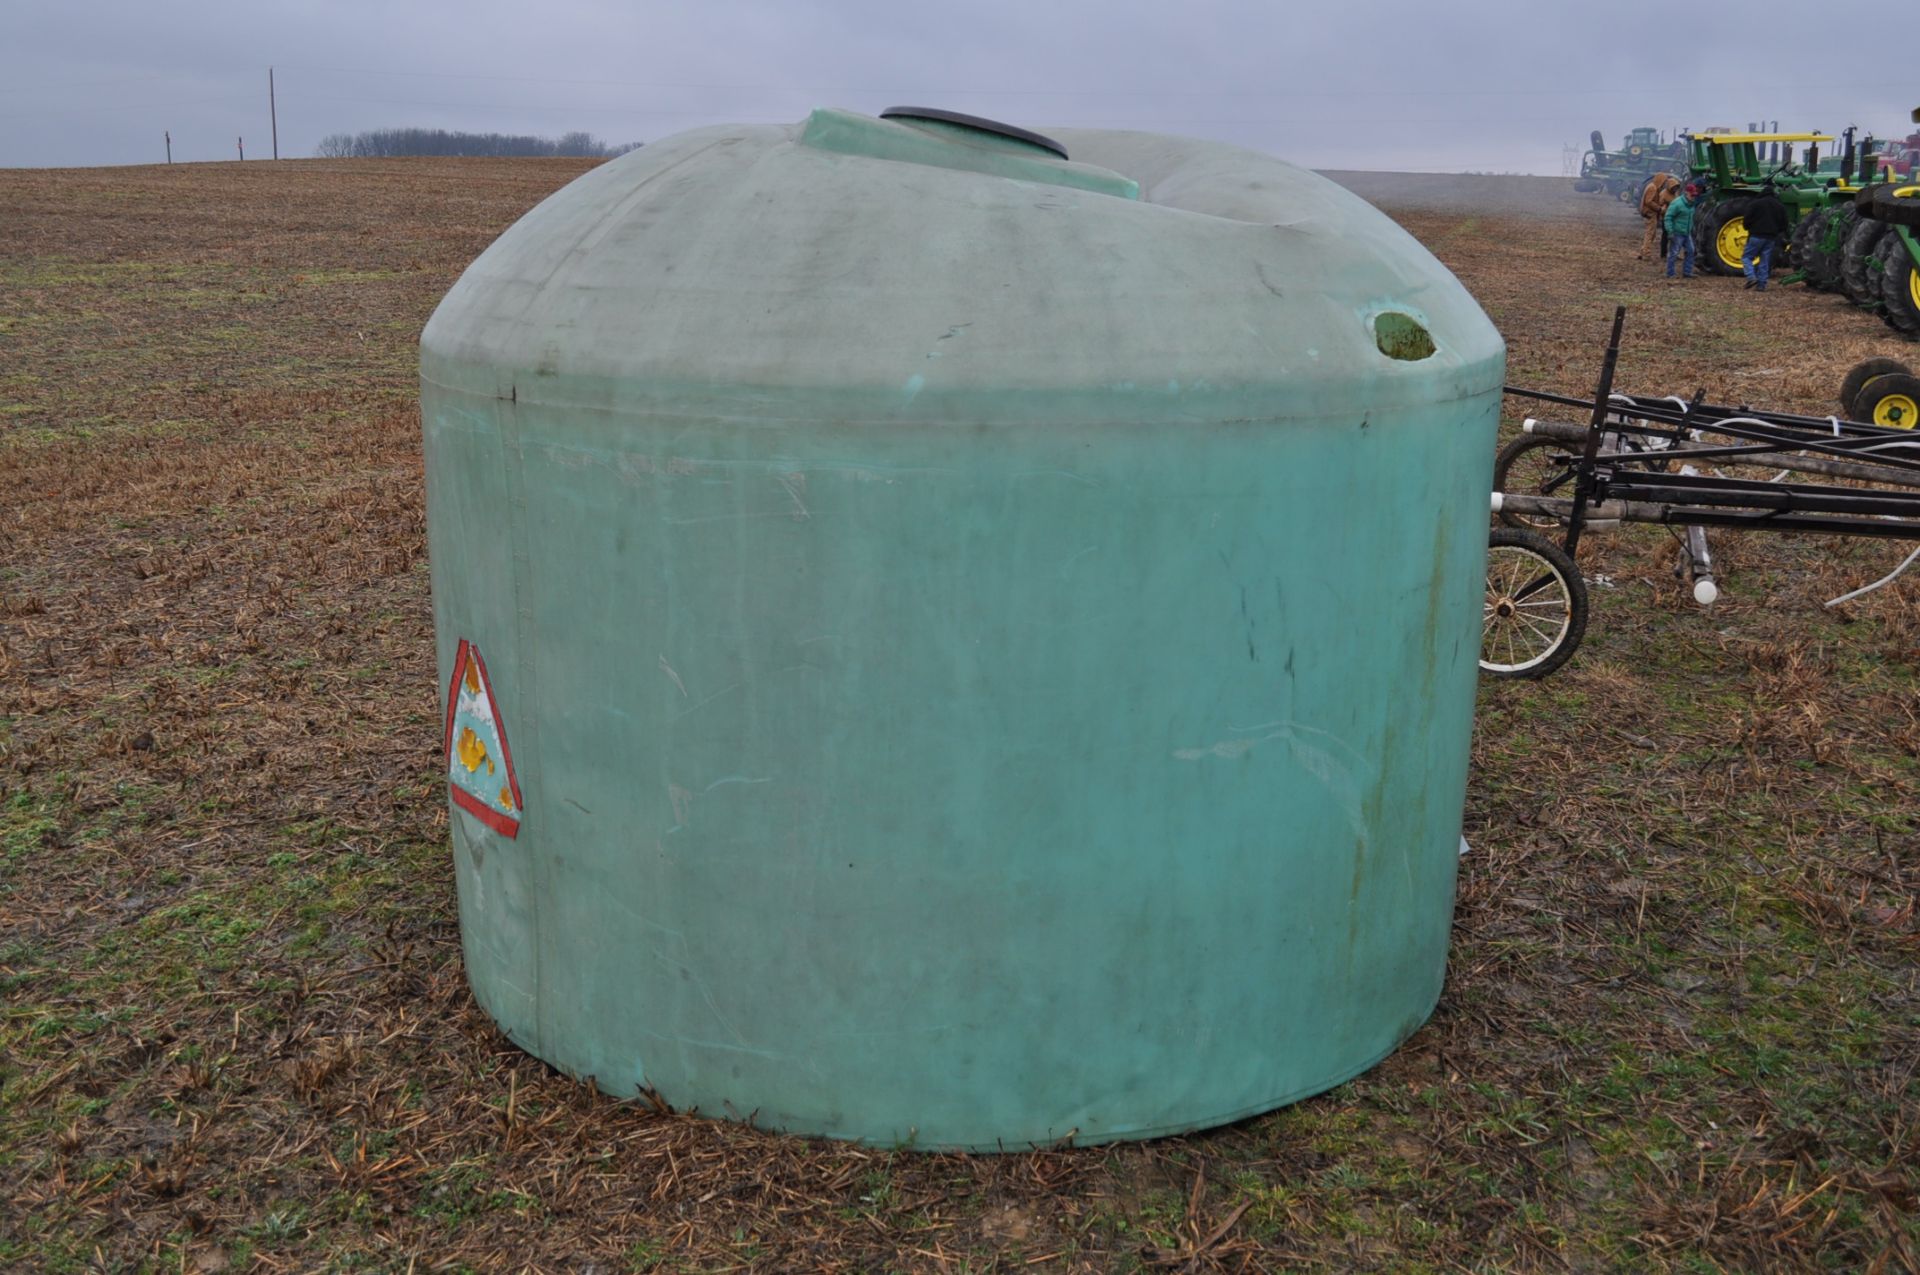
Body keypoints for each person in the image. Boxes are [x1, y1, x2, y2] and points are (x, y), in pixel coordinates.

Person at [1741, 183, 1790, 291]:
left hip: (1756, 236)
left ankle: (1751, 277)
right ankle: (1761, 285)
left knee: (1747, 257)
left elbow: (1747, 219)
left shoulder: (1755, 204)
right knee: (1765, 261)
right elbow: (1785, 224)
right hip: (1771, 238)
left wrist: (1748, 228)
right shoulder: (1780, 206)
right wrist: (1777, 232)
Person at [1638, 172, 1682, 261]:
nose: (1663, 184)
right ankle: (1646, 253)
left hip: (1651, 213)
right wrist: (1659, 208)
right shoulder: (1653, 188)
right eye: (1663, 181)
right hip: (1651, 213)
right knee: (1650, 233)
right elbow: (1649, 201)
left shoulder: (1652, 186)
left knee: (1651, 233)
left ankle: (1643, 252)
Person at [1664, 183, 1700, 278]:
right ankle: (1670, 273)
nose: (1693, 197)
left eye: (1694, 195)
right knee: (1674, 253)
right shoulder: (1677, 203)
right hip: (1677, 232)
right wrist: (1670, 232)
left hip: (1687, 233)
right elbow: (1668, 217)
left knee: (1691, 251)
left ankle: (1687, 272)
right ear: (1686, 193)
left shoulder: (1691, 204)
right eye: (1692, 195)